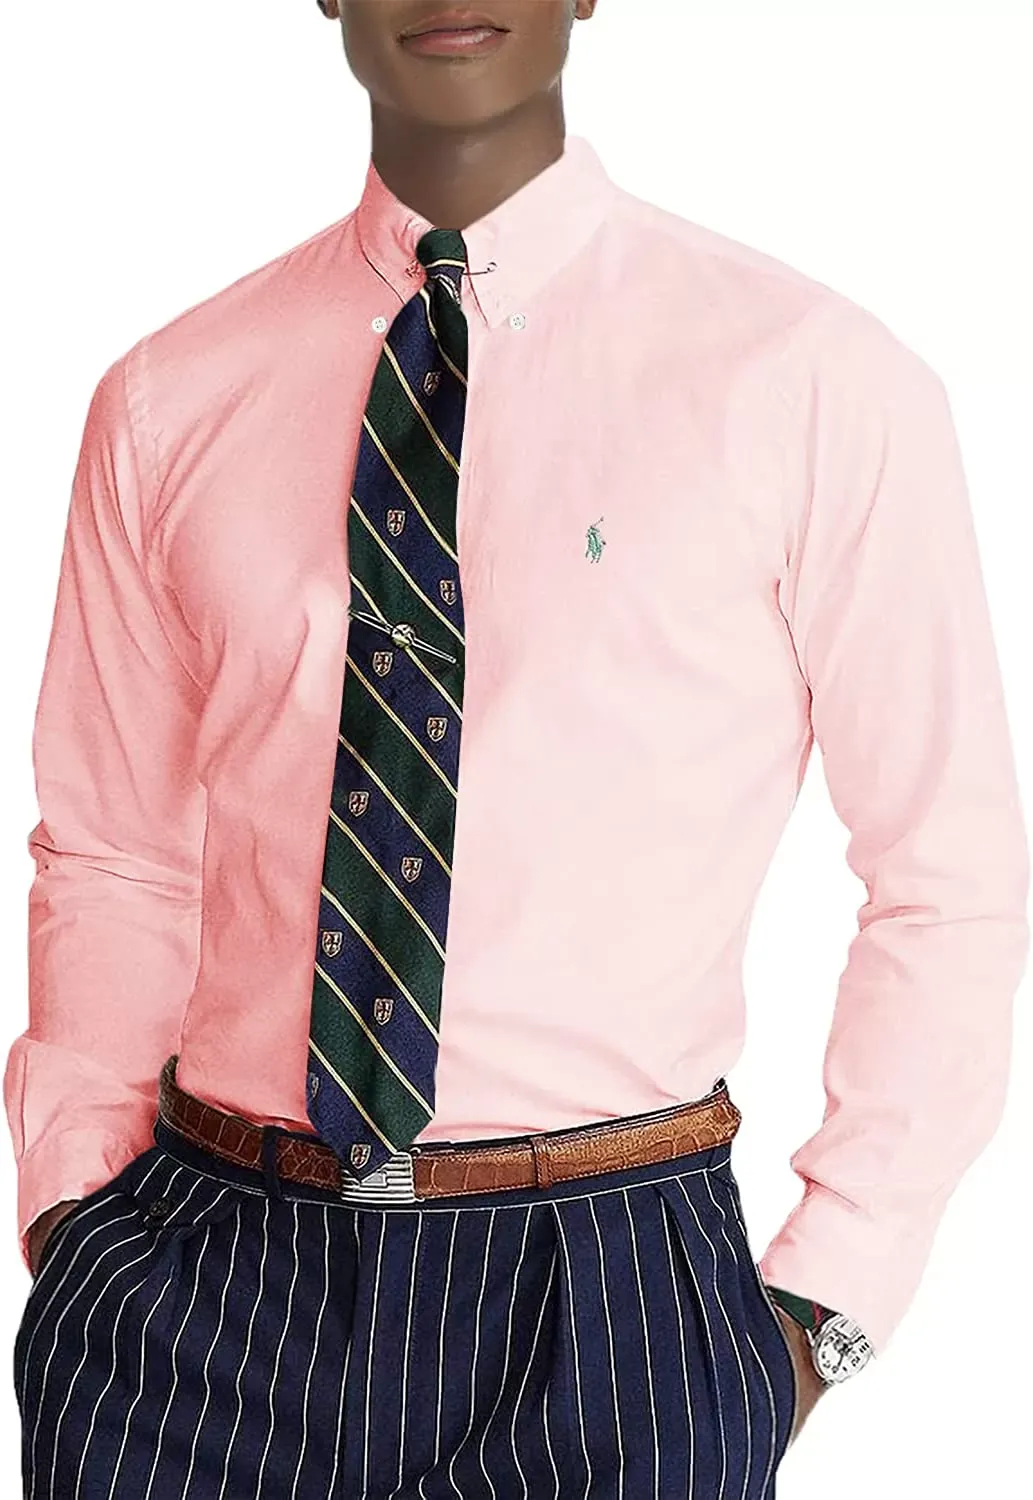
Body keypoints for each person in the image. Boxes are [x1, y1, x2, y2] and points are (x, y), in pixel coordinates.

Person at [6, 1, 1028, 1495]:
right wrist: (72, 1212)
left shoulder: (806, 380)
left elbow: (947, 871)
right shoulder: (172, 397)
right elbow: (112, 849)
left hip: (609, 1297)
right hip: (204, 1289)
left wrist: (831, 1299)